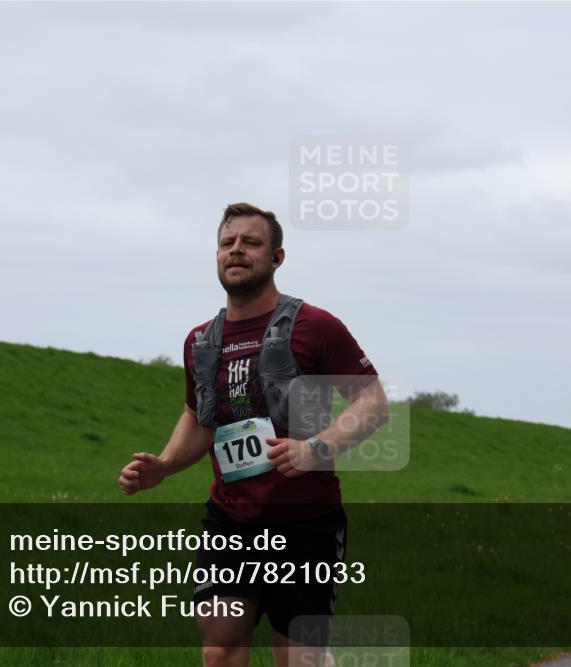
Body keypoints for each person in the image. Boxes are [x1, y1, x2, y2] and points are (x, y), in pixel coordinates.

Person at [118, 202, 390, 667]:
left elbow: (372, 404)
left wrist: (315, 448)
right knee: (219, 648)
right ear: (217, 256)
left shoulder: (316, 327)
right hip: (231, 520)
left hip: (307, 523)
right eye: (227, 243)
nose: (237, 250)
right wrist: (164, 465)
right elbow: (198, 418)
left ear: (277, 257)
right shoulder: (201, 341)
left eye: (251, 242)